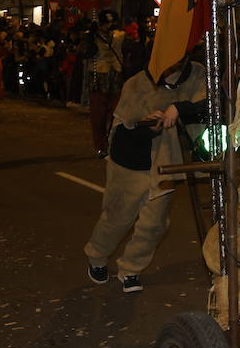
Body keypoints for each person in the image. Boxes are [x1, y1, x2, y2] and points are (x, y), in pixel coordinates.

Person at [84, 54, 207, 293]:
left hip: (167, 163)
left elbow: (211, 103)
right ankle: (97, 256)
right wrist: (147, 126)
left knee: (154, 224)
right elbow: (122, 129)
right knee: (117, 218)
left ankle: (131, 269)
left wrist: (179, 108)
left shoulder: (197, 76)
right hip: (131, 161)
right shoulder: (137, 84)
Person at [83, 10, 126, 158]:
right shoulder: (92, 36)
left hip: (116, 76)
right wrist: (90, 37)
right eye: (106, 24)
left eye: (112, 23)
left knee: (118, 113)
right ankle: (100, 146)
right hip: (98, 77)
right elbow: (86, 52)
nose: (109, 26)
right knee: (98, 116)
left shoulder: (121, 36)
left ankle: (115, 144)